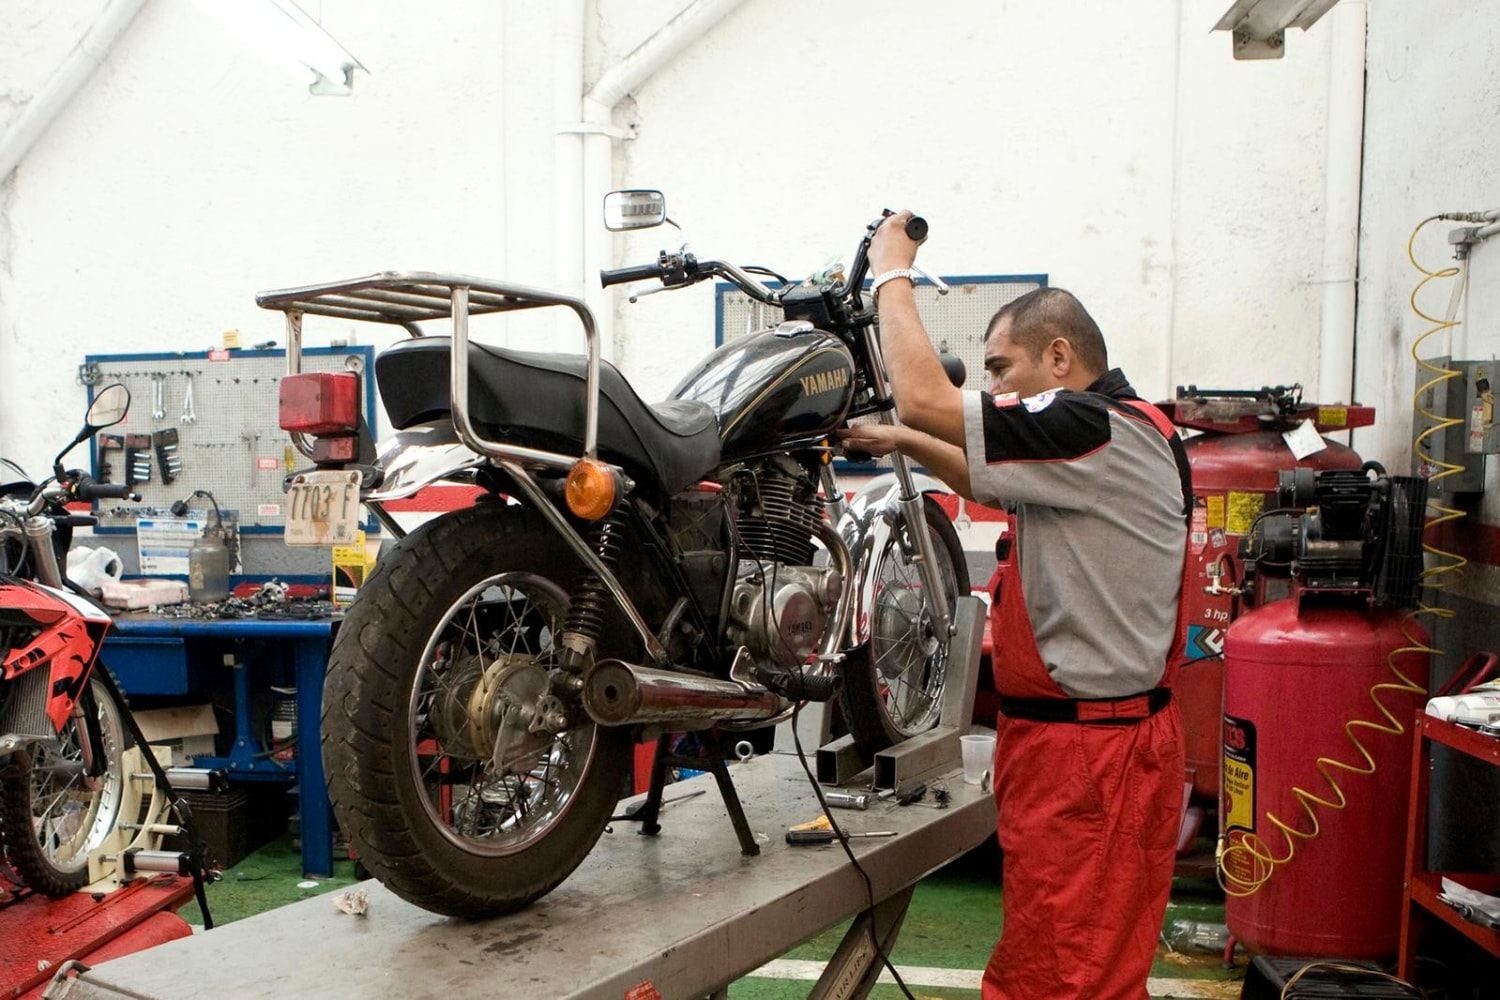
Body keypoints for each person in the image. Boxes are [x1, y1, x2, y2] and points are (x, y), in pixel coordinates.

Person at [836, 211, 1192, 999]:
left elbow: (926, 398)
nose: (992, 389)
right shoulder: (1119, 436)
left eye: (1001, 370)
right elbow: (978, 471)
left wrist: (894, 267)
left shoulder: (1090, 427)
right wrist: (902, 444)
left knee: (1067, 978)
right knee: (1065, 965)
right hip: (1092, 750)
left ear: (1059, 357)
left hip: (1093, 764)